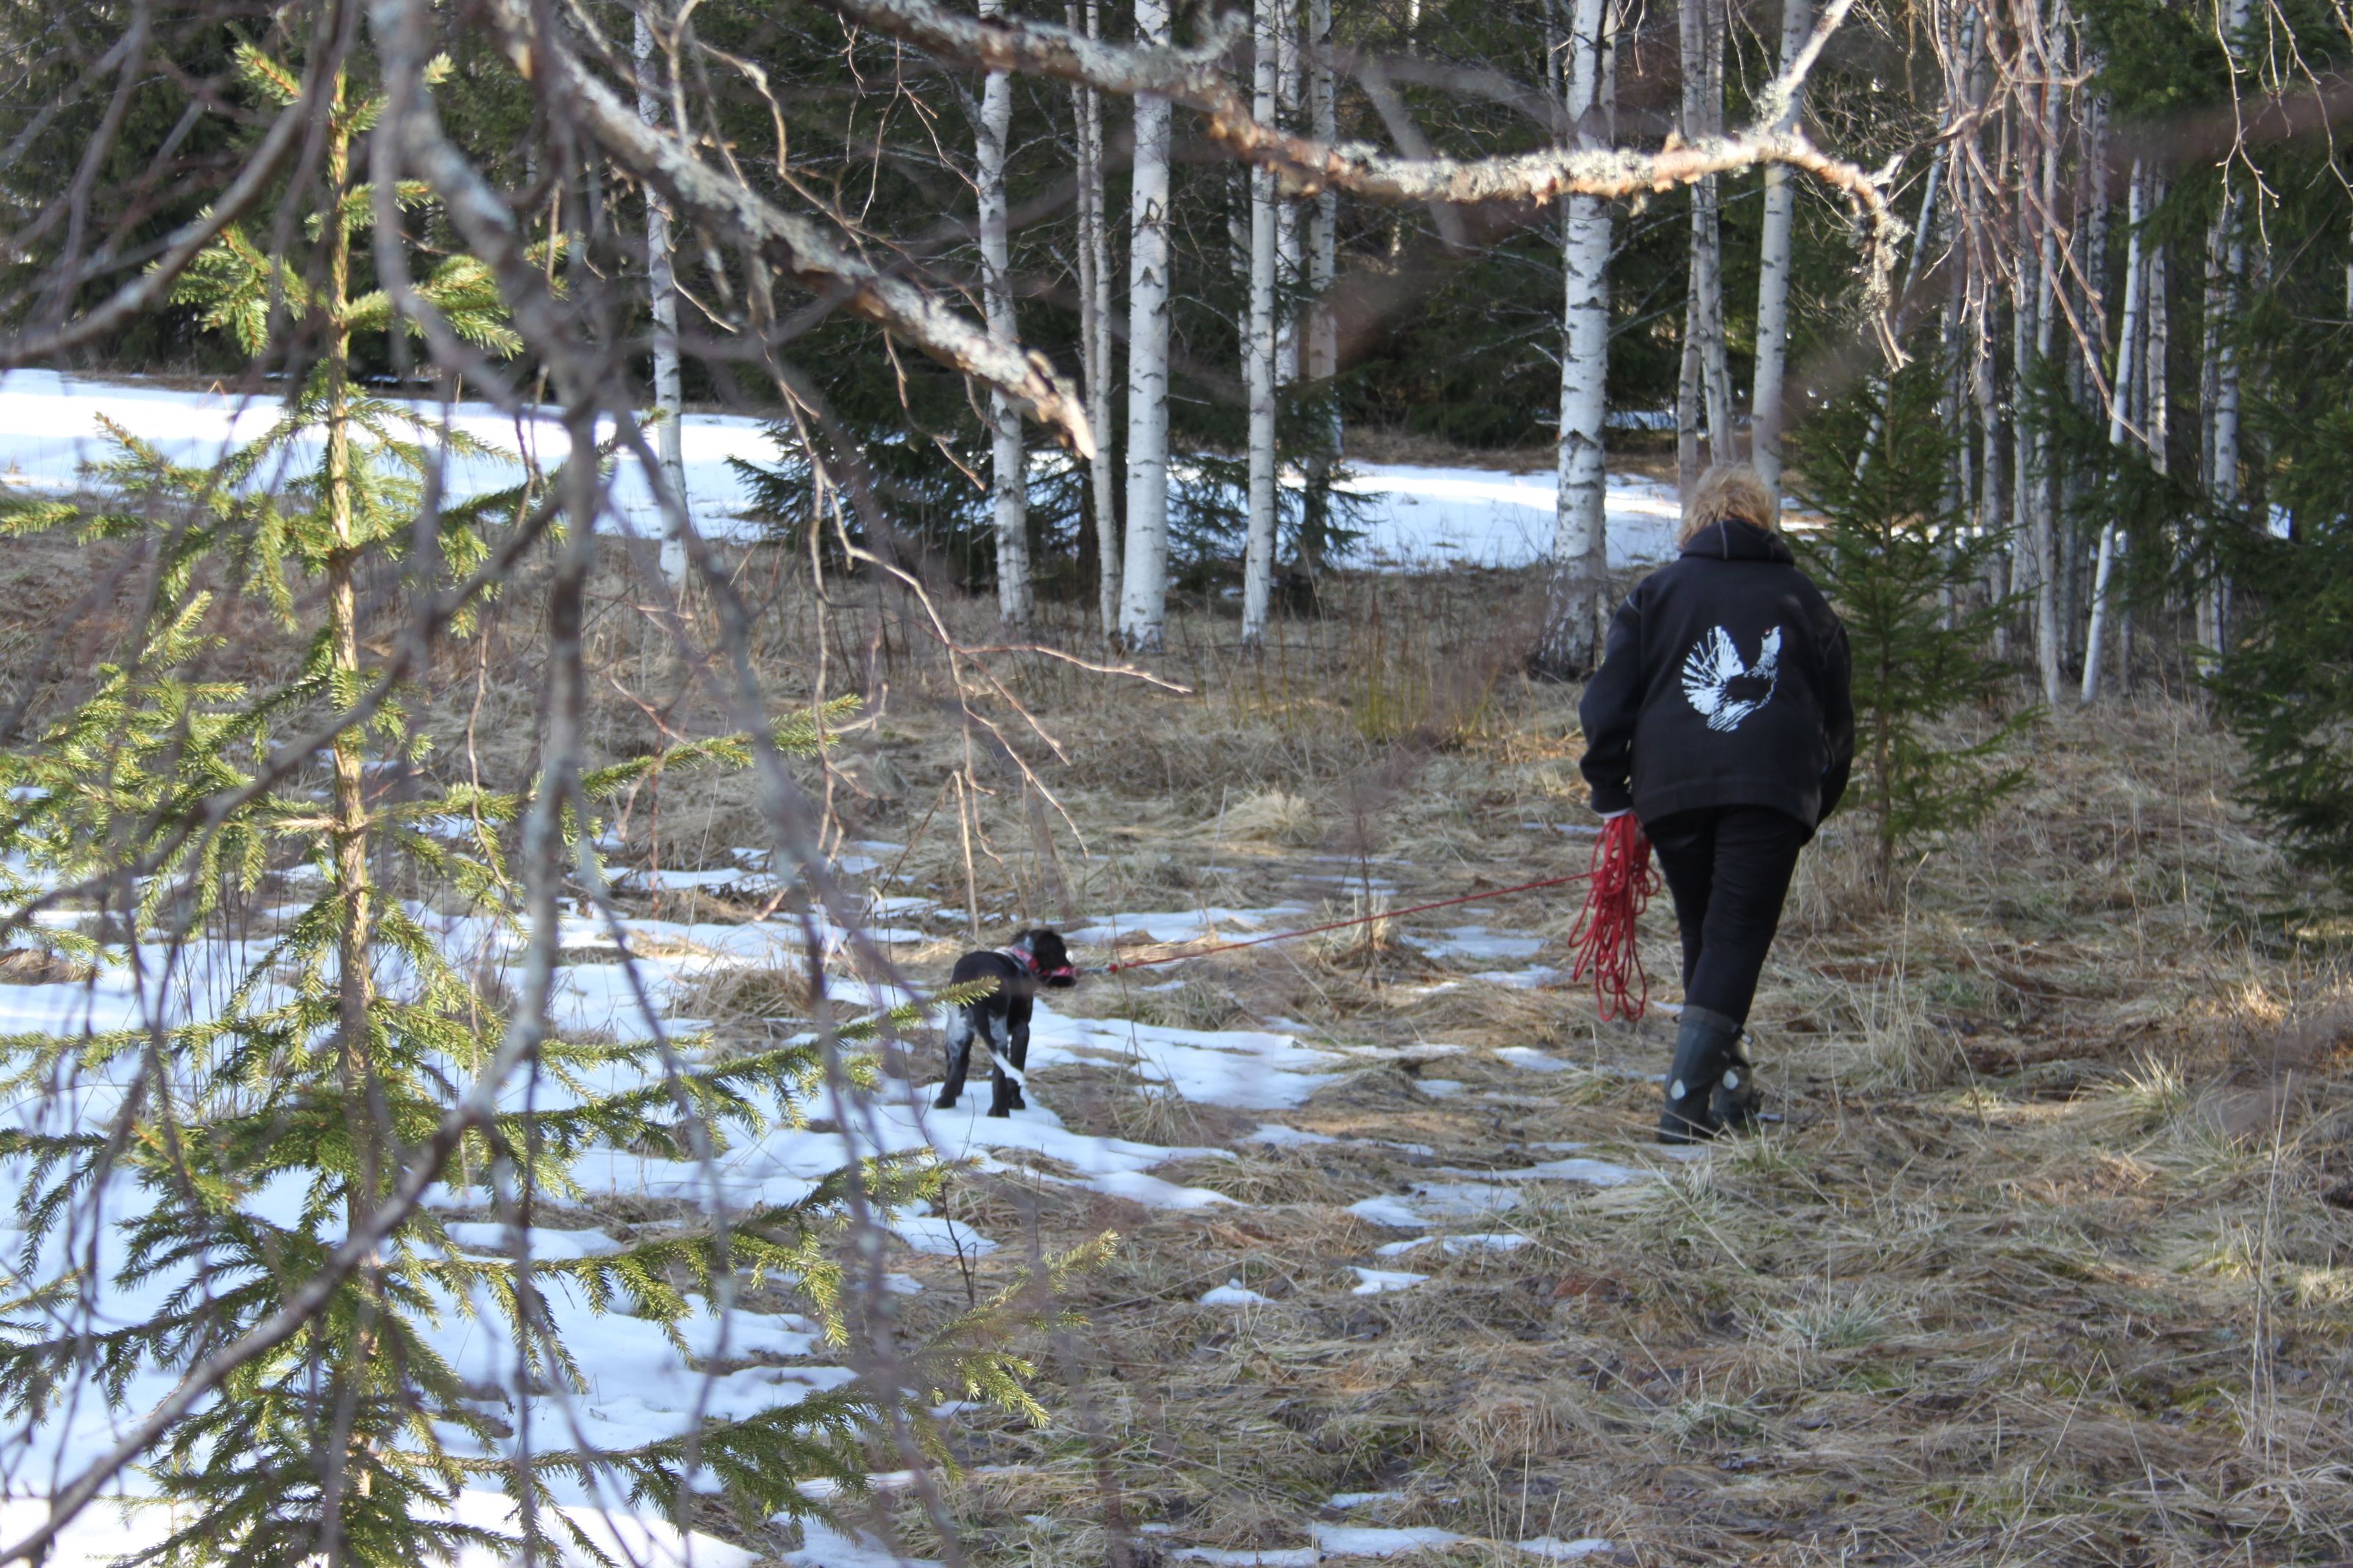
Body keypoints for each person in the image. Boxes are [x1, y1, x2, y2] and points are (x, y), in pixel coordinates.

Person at [1577, 464, 1854, 1142]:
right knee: (1733, 941)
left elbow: (1606, 702)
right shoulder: (1803, 599)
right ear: (1766, 520)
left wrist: (1615, 793)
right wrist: (1814, 803)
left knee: (1710, 937)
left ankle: (1731, 1098)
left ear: (1693, 522)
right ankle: (1681, 1113)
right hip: (1768, 793)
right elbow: (1839, 723)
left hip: (1674, 794)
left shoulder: (1657, 594)